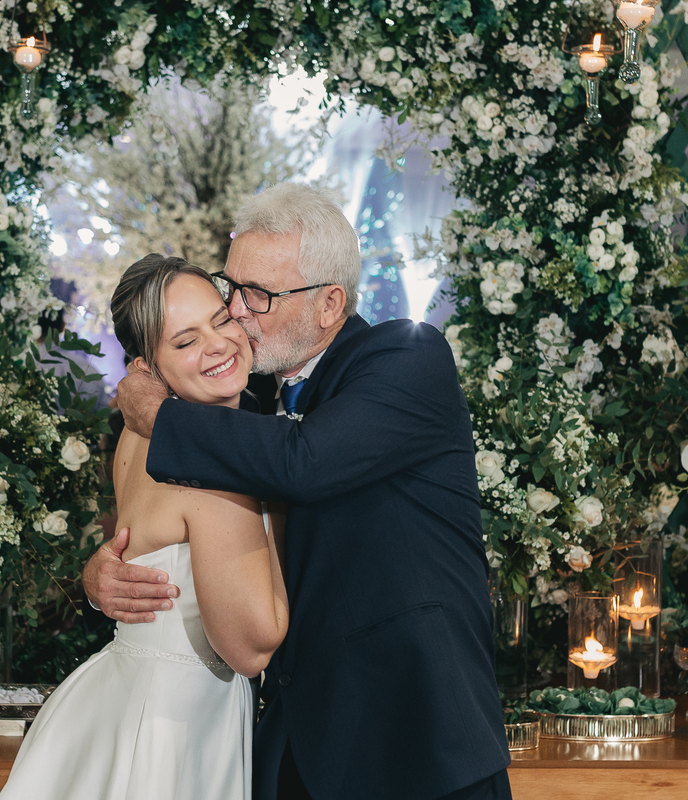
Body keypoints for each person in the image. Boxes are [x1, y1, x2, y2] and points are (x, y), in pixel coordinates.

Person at [85, 183, 512, 800]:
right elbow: (168, 520)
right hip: (296, 747)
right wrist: (103, 573)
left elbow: (302, 462)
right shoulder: (243, 399)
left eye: (258, 294)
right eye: (232, 287)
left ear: (329, 303)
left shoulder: (406, 359)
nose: (237, 311)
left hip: (418, 743)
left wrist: (160, 413)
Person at [0, 255, 288, 800]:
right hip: (173, 730)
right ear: (146, 369)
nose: (219, 344)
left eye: (221, 320)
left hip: (121, 697)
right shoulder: (206, 457)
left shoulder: (138, 435)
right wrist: (281, 504)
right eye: (185, 341)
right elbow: (251, 647)